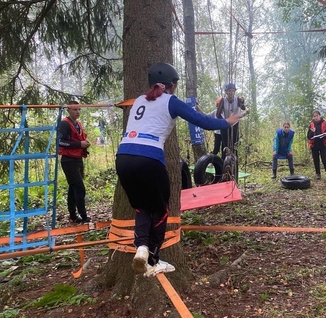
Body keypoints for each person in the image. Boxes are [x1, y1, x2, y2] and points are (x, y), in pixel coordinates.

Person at [116, 63, 242, 277]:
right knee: (161, 210)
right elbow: (202, 121)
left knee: (141, 208)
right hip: (149, 159)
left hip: (123, 158)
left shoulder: (139, 100)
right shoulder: (171, 101)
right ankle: (154, 260)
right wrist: (228, 122)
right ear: (172, 85)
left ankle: (142, 249)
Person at [58, 100, 91, 224]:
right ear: (68, 110)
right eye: (74, 109)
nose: (77, 112)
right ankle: (83, 216)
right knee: (79, 188)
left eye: (79, 109)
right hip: (68, 161)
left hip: (78, 159)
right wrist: (79, 144)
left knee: (73, 188)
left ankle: (72, 215)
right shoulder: (64, 124)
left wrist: (85, 143)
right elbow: (60, 142)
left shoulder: (78, 124)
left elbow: (78, 139)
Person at [307, 110, 326, 179]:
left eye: (317, 116)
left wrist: (325, 135)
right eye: (314, 116)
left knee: (324, 159)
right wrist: (312, 132)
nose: (316, 118)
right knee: (316, 160)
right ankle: (318, 174)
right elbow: (308, 137)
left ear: (319, 116)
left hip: (323, 144)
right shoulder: (312, 124)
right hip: (314, 145)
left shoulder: (324, 123)